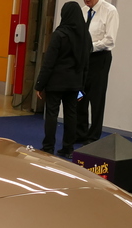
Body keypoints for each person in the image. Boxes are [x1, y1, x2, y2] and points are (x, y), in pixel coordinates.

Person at [35, 2, 89, 159]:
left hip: (56, 81)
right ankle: (68, 148)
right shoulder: (85, 35)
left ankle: (48, 146)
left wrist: (40, 84)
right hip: (74, 83)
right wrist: (82, 86)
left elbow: (49, 62)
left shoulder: (59, 34)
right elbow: (86, 63)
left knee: (52, 113)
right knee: (71, 114)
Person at [76, 0, 118, 145]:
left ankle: (93, 136)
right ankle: (80, 132)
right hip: (83, 57)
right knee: (80, 94)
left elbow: (110, 40)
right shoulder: (82, 11)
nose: (86, 0)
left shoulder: (110, 11)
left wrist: (89, 47)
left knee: (97, 97)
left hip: (100, 57)